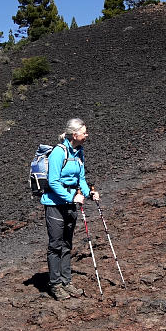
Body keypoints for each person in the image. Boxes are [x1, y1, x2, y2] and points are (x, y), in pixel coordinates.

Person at [42, 118, 98, 299]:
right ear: (75, 135)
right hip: (54, 205)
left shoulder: (79, 152)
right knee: (55, 245)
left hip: (71, 204)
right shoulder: (59, 152)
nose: (87, 135)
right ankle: (55, 284)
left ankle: (67, 281)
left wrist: (89, 193)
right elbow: (53, 182)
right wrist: (71, 197)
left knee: (67, 244)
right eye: (84, 132)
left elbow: (81, 178)